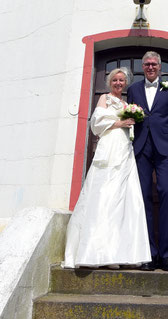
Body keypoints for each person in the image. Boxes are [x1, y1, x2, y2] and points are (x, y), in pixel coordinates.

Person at [63, 67, 151, 269]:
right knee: (103, 195)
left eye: (122, 80)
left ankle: (114, 253)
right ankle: (93, 252)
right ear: (110, 82)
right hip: (109, 147)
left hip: (124, 149)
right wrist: (122, 123)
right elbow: (97, 124)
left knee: (121, 199)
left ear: (125, 83)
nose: (118, 83)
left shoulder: (126, 104)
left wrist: (131, 123)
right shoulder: (104, 99)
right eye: (115, 80)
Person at [127, 51, 168, 272]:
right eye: (147, 64)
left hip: (164, 150)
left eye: (154, 64)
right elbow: (128, 119)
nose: (150, 67)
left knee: (166, 193)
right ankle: (149, 255)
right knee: (143, 198)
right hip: (141, 149)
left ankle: (165, 255)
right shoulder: (133, 90)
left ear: (160, 67)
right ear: (143, 67)